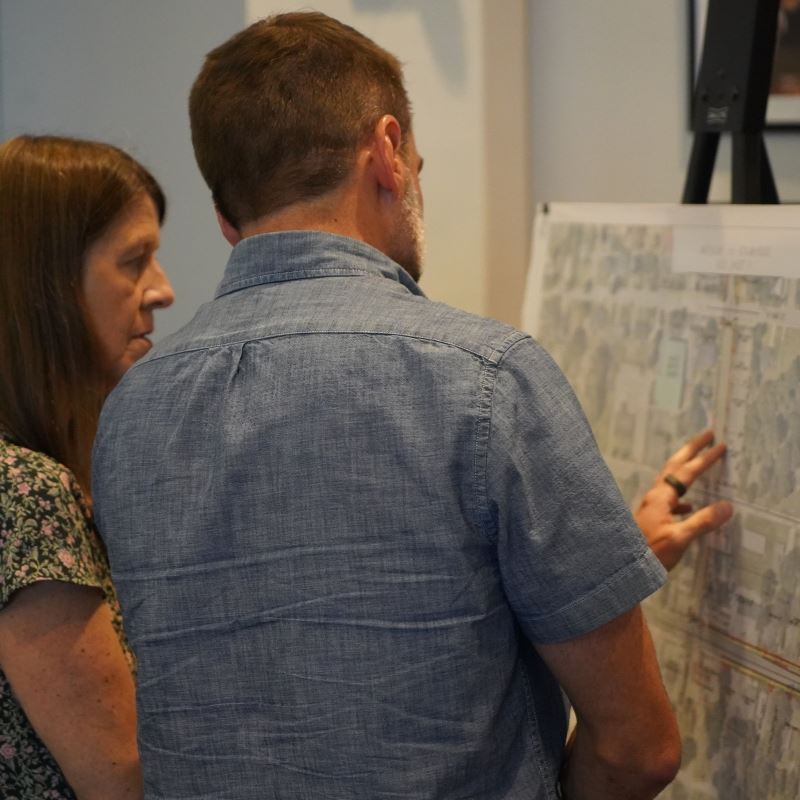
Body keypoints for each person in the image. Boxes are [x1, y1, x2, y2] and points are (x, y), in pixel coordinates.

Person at [92, 13, 722, 800]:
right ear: (389, 153)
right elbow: (639, 749)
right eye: (418, 164)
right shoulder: (489, 379)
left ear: (225, 217)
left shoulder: (128, 413)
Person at [0, 135, 174, 798]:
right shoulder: (24, 490)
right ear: (46, 283)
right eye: (134, 261)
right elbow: (123, 778)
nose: (162, 290)